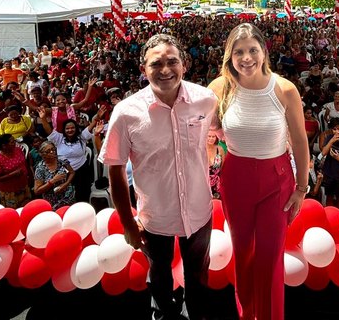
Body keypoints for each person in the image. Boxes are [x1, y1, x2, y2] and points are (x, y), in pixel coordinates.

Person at [100, 33, 217, 320]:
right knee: (159, 274)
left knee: (198, 273)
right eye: (156, 64)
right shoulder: (126, 113)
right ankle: (163, 312)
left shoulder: (205, 100)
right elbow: (114, 167)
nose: (165, 70)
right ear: (144, 69)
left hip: (200, 210)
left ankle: (196, 313)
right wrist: (127, 222)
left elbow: (217, 136)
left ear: (184, 65)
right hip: (154, 217)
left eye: (172, 61)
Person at [208, 23, 308, 320]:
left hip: (276, 179)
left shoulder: (285, 89)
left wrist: (301, 188)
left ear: (264, 52)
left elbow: (301, 141)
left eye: (253, 50)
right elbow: (206, 129)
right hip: (236, 177)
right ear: (230, 56)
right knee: (243, 254)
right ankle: (246, 313)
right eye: (239, 52)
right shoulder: (219, 87)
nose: (246, 57)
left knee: (269, 257)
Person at [40, 109, 101, 203]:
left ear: (76, 128)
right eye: (67, 128)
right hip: (65, 172)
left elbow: (92, 125)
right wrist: (43, 119)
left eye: (72, 128)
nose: (70, 130)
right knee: (66, 196)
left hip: (82, 171)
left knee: (83, 195)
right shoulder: (59, 138)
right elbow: (48, 130)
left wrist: (97, 116)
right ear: (64, 130)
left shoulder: (81, 137)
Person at [0, 134, 32, 208]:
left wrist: (30, 176)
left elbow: (25, 164)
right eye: (12, 142)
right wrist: (12, 175)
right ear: (4, 145)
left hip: (24, 186)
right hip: (10, 192)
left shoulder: (18, 150)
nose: (15, 143)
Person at [32, 140, 75, 209]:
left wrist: (65, 184)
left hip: (68, 196)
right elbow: (37, 191)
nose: (52, 152)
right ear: (42, 154)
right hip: (53, 202)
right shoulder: (40, 169)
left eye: (53, 149)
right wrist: (53, 180)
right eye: (48, 151)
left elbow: (72, 172)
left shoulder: (61, 160)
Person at [206, 127, 225, 199]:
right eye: (209, 136)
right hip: (204, 185)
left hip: (217, 187)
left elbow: (223, 168)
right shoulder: (201, 149)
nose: (211, 138)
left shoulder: (220, 149)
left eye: (213, 136)